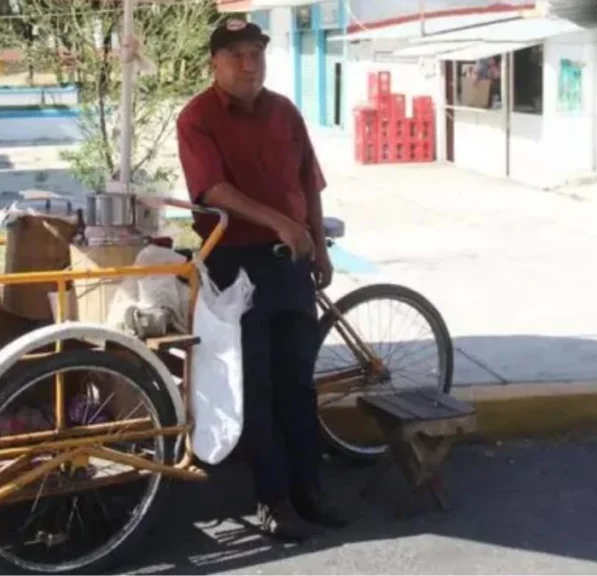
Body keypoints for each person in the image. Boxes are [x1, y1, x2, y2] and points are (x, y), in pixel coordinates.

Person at [175, 18, 348, 542]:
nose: (248, 64)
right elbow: (212, 190)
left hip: (292, 265)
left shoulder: (285, 111)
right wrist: (280, 222)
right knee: (256, 388)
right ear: (215, 64)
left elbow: (308, 184)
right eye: (236, 56)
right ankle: (273, 501)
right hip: (236, 267)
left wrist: (316, 243)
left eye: (255, 53)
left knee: (299, 384)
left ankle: (310, 491)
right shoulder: (198, 117)